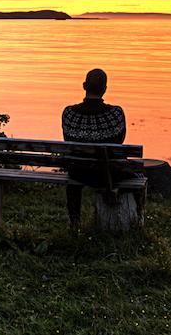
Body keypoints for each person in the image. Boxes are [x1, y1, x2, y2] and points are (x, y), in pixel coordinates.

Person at [61, 68, 126, 229]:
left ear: (84, 86)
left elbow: (68, 142)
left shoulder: (69, 114)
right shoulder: (115, 114)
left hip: (78, 171)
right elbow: (119, 143)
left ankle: (74, 222)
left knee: (74, 177)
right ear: (105, 89)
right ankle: (129, 220)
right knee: (135, 173)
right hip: (108, 173)